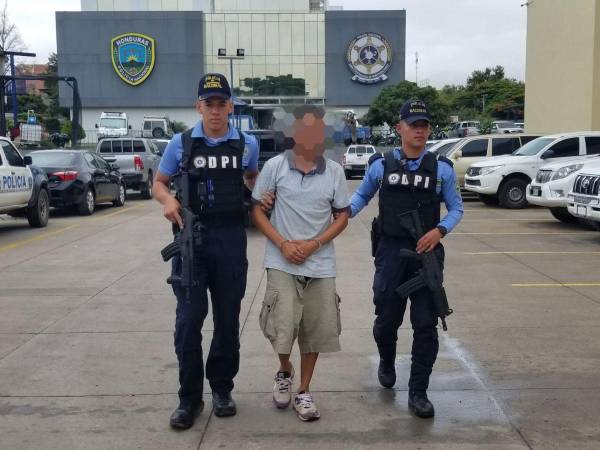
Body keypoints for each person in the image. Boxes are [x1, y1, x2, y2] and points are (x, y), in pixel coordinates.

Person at [153, 73, 259, 429]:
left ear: (231, 106)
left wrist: (259, 196)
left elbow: (252, 179)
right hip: (191, 239)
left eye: (221, 103)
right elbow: (159, 182)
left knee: (228, 321)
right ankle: (189, 399)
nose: (215, 110)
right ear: (199, 106)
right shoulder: (180, 144)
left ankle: (222, 389)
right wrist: (168, 201)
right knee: (188, 322)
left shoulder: (246, 144)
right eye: (208, 103)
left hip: (231, 238)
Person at [350, 99, 464, 418]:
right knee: (386, 320)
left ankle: (418, 392)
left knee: (426, 325)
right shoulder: (381, 166)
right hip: (390, 252)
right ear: (399, 127)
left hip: (426, 253)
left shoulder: (441, 169)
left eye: (424, 125)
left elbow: (456, 208)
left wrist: (439, 231)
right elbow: (360, 197)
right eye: (413, 124)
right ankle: (386, 360)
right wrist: (338, 216)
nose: (419, 130)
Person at [251, 105, 350, 422]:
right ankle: (284, 370)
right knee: (282, 326)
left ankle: (304, 391)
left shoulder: (334, 171)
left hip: (320, 264)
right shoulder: (276, 167)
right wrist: (282, 244)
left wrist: (315, 243)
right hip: (282, 261)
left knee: (314, 329)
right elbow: (256, 210)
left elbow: (343, 215)